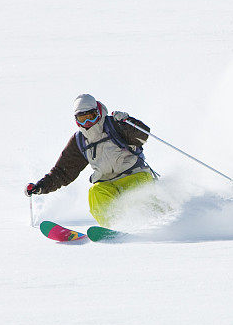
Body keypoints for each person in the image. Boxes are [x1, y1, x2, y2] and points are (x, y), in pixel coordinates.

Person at [25, 94, 156, 226]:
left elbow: (143, 136)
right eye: (82, 118)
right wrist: (40, 186)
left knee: (135, 195)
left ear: (98, 113)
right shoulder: (79, 141)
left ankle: (151, 221)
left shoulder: (114, 125)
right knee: (95, 193)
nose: (87, 122)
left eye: (91, 116)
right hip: (107, 183)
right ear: (76, 120)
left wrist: (128, 122)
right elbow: (62, 172)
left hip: (133, 174)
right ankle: (114, 227)